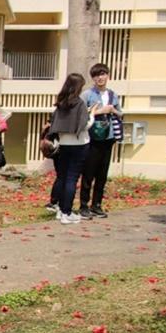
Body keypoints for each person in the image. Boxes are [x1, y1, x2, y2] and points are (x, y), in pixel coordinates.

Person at [47, 73, 100, 225]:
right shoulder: (79, 103)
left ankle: (60, 210)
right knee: (72, 178)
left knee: (63, 177)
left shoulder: (60, 103)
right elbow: (85, 125)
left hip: (63, 144)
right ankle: (67, 212)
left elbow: (56, 125)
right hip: (79, 144)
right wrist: (93, 115)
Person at [78, 63, 123, 219]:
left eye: (102, 74)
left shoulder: (112, 95)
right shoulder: (87, 95)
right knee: (88, 173)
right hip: (91, 139)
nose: (100, 78)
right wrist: (98, 112)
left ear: (108, 75)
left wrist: (113, 110)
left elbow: (120, 114)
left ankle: (97, 205)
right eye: (96, 75)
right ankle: (83, 205)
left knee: (102, 174)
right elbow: (80, 115)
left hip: (108, 138)